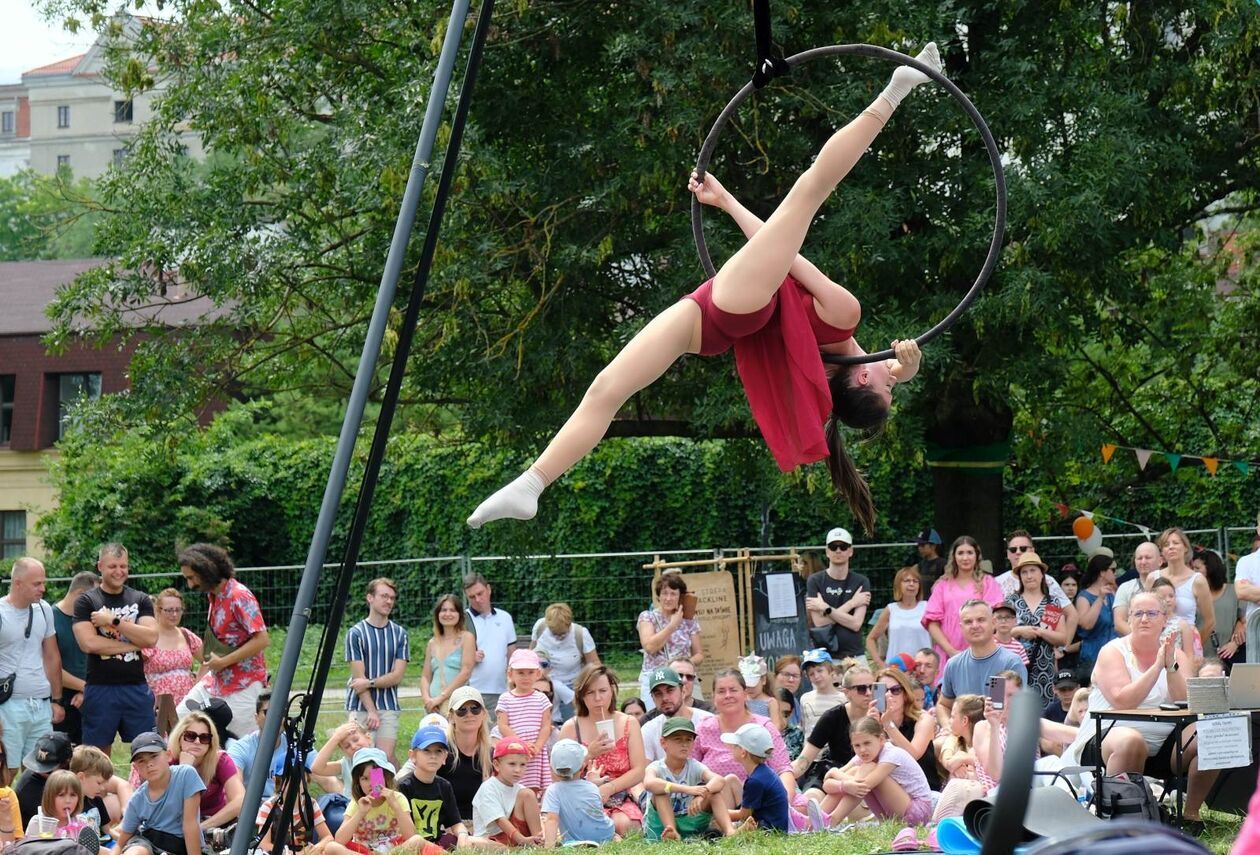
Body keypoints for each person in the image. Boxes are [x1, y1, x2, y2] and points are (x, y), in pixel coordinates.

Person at [466, 45, 945, 534]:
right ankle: (534, 482)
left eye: (887, 385)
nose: (889, 375)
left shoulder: (844, 314)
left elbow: (782, 242)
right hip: (717, 324)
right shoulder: (842, 346)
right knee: (607, 388)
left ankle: (896, 89)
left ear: (862, 380)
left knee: (812, 188)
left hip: (739, 305)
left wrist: (730, 204)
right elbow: (783, 253)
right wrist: (725, 201)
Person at [1062, 591, 1216, 834]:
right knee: (1131, 740)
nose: (1145, 619)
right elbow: (1123, 700)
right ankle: (1123, 821)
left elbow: (1184, 701)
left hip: (1165, 741)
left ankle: (1190, 816)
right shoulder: (1112, 651)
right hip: (1108, 738)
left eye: (1152, 613)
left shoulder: (1177, 655)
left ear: (1164, 619)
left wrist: (1170, 666)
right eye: (1138, 613)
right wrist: (1156, 667)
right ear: (1129, 619)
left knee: (1210, 735)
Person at [176, 543, 270, 737]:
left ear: (206, 570)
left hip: (243, 685)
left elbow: (262, 639)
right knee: (179, 719)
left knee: (240, 742)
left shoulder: (239, 595)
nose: (190, 585)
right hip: (217, 682)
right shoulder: (215, 597)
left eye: (191, 578)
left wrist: (223, 662)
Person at [73, 544, 160, 754]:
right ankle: (99, 788)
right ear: (100, 566)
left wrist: (113, 620)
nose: (119, 571)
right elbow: (89, 644)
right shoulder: (87, 601)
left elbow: (151, 637)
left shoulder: (140, 599)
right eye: (113, 566)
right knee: (96, 754)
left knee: (148, 749)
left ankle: (144, 787)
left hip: (136, 686)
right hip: (100, 687)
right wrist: (133, 643)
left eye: (124, 566)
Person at [693, 669, 800, 817]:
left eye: (733, 690)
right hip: (718, 803)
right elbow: (690, 770)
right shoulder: (703, 729)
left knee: (806, 804)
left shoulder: (764, 727)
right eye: (721, 691)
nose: (728, 695)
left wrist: (784, 802)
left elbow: (783, 769)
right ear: (713, 697)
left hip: (761, 799)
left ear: (745, 694)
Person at [556, 665, 646, 835]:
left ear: (612, 691)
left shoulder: (628, 723)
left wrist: (610, 788)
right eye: (590, 693)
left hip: (620, 795)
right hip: (581, 798)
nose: (598, 698)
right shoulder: (570, 728)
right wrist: (588, 754)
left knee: (625, 825)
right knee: (587, 826)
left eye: (603, 691)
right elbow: (558, 777)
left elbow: (639, 770)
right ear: (581, 695)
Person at [0, 557, 63, 785]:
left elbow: (51, 655)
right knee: (8, 769)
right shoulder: (2, 612)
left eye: (43, 582)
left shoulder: (44, 609)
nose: (43, 588)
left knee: (42, 769)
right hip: (8, 705)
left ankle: (31, 818)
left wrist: (56, 699)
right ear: (17, 583)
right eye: (36, 584)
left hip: (41, 703)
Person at [341, 579, 410, 768]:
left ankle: (396, 790)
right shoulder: (355, 633)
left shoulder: (400, 634)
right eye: (384, 596)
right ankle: (364, 795)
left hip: (388, 705)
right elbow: (357, 679)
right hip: (360, 705)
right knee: (362, 759)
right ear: (370, 598)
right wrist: (371, 710)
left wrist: (370, 683)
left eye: (392, 598)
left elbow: (397, 675)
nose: (389, 601)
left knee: (384, 758)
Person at [817, 716, 932, 828]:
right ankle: (814, 820)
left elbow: (862, 786)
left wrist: (834, 772)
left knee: (867, 769)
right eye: (857, 745)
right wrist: (844, 785)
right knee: (858, 771)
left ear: (881, 739)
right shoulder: (861, 757)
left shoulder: (892, 754)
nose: (862, 750)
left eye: (867, 743)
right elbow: (827, 785)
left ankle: (833, 820)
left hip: (918, 813)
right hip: (890, 816)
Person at [642, 718, 734, 840]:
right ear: (663, 743)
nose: (684, 744)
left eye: (688, 740)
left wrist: (703, 793)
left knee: (714, 793)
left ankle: (730, 831)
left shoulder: (694, 765)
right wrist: (686, 789)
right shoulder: (656, 767)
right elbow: (649, 783)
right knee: (661, 792)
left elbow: (719, 780)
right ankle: (672, 833)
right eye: (678, 739)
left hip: (689, 821)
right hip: (660, 827)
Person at [116, 732, 205, 855]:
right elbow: (122, 840)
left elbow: (190, 825)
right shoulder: (137, 799)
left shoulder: (186, 775)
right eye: (141, 761)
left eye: (154, 756)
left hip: (180, 845)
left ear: (168, 755)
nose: (149, 764)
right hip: (148, 842)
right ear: (136, 768)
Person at [922, 536, 1004, 664]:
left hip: (980, 652)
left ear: (977, 555)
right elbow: (932, 623)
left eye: (970, 553)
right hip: (947, 653)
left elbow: (995, 619)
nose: (965, 558)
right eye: (960, 553)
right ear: (954, 556)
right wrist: (951, 651)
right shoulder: (942, 585)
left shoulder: (987, 583)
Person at [937, 600, 1027, 713]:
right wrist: (947, 727)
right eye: (968, 622)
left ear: (993, 622)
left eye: (981, 620)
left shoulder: (1011, 663)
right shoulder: (953, 664)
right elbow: (943, 705)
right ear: (961, 627)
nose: (975, 626)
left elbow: (1019, 710)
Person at [335, 747, 427, 853]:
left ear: (385, 777)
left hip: (394, 850)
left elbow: (411, 835)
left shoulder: (398, 798)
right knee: (332, 847)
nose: (370, 783)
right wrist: (360, 813)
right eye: (364, 779)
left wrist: (395, 806)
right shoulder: (357, 803)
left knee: (417, 840)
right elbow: (339, 840)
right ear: (358, 783)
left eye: (375, 776)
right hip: (364, 851)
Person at [1005, 552, 1069, 703]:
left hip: (1044, 670)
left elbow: (1062, 639)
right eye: (1024, 572)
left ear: (1042, 574)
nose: (1029, 576)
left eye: (1033, 570)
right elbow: (999, 635)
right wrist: (1020, 631)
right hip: (1015, 668)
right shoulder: (1011, 601)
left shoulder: (1051, 603)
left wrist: (1040, 632)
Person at [164, 711, 243, 830]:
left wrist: (201, 828)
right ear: (179, 738)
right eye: (190, 736)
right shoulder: (168, 761)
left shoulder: (220, 761)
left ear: (211, 743)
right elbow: (166, 807)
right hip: (175, 826)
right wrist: (184, 770)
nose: (197, 742)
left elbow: (240, 800)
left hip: (214, 825)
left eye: (204, 738)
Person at [395, 726, 468, 849]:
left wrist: (463, 836)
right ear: (412, 755)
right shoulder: (403, 786)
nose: (433, 756)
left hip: (437, 842)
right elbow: (402, 832)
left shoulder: (445, 786)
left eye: (438, 751)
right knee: (417, 841)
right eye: (426, 750)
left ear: (445, 757)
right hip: (411, 844)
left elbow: (455, 823)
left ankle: (508, 849)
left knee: (474, 841)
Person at [636, 574, 703, 708]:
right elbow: (649, 647)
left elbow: (699, 655)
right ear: (658, 596)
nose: (668, 598)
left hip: (682, 678)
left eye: (673, 594)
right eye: (664, 593)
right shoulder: (648, 617)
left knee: (694, 716)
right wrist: (672, 625)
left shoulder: (689, 620)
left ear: (680, 596)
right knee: (656, 719)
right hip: (656, 677)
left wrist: (683, 664)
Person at [805, 527, 872, 661]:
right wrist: (852, 603)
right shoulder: (815, 580)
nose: (838, 550)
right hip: (825, 656)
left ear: (851, 551)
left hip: (855, 655)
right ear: (827, 551)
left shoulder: (861, 581)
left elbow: (856, 624)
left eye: (843, 546)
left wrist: (825, 608)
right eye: (833, 546)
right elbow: (819, 622)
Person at [872, 667, 939, 792]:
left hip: (921, 789)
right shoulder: (875, 718)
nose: (888, 695)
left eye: (895, 690)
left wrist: (888, 725)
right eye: (883, 691)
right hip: (887, 787)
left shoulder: (923, 719)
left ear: (905, 693)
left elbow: (913, 755)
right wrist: (872, 727)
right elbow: (864, 757)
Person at [529, 603, 599, 721]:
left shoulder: (580, 634)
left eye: (563, 634)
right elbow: (530, 654)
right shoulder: (540, 627)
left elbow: (594, 664)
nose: (558, 638)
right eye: (554, 633)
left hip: (573, 686)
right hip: (546, 687)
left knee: (572, 724)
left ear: (569, 624)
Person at [496, 649, 552, 792]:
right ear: (510, 674)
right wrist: (521, 744)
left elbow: (546, 726)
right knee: (514, 784)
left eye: (530, 672)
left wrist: (537, 746)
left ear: (538, 674)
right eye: (520, 672)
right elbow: (502, 725)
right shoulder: (505, 699)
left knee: (534, 787)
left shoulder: (541, 698)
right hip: (514, 751)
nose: (525, 677)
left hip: (535, 752)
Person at [52, 570, 98, 746]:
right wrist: (85, 688)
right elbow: (51, 667)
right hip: (61, 699)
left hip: (88, 695)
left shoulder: (90, 620)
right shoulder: (51, 617)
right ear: (80, 594)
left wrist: (85, 690)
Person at [541, 739, 617, 846]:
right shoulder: (592, 787)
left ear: (553, 769)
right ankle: (613, 837)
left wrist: (549, 848)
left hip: (575, 838)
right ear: (582, 767)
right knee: (608, 828)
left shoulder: (553, 791)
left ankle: (578, 842)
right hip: (604, 834)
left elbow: (551, 820)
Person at [462, 573, 517, 717]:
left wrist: (513, 684)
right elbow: (450, 655)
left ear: (489, 589)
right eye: (472, 597)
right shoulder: (462, 620)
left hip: (501, 690)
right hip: (471, 690)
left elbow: (512, 654)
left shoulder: (505, 618)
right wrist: (469, 656)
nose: (478, 600)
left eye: (480, 594)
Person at [721, 724, 791, 832]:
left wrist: (718, 813)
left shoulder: (755, 781)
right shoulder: (763, 772)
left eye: (735, 746)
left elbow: (744, 815)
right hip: (770, 823)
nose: (731, 748)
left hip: (768, 830)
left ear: (743, 752)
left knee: (719, 826)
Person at [471, 741, 543, 847]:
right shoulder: (488, 787)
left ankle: (539, 842)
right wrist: (521, 839)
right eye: (512, 764)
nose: (518, 770)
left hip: (516, 839)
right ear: (496, 765)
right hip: (492, 839)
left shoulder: (521, 790)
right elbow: (500, 820)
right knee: (473, 843)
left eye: (522, 764)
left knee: (528, 794)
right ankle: (523, 845)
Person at [438, 687, 492, 825]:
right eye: (462, 710)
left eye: (475, 708)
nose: (469, 714)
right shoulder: (438, 748)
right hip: (446, 825)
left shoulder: (492, 754)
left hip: (482, 824)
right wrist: (378, 790)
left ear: (484, 714)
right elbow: (405, 776)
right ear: (451, 716)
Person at [142, 588, 201, 711]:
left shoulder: (186, 635)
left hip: (187, 704)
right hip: (156, 706)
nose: (174, 614)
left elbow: (207, 662)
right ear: (158, 610)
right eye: (169, 610)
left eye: (178, 610)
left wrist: (197, 685)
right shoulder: (149, 637)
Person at [640, 667, 716, 762]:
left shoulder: (708, 721)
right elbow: (644, 771)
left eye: (670, 690)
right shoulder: (649, 730)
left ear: (683, 691)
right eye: (658, 694)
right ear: (652, 698)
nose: (665, 698)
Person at [1156, 527, 1215, 646]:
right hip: (1158, 647)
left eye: (1176, 543)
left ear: (1186, 548)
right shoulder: (1153, 578)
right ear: (1162, 551)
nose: (1171, 547)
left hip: (1187, 647)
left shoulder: (1198, 580)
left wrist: (1195, 646)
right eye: (1166, 544)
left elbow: (1210, 621)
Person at [865, 566, 930, 671]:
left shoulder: (927, 607)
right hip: (896, 669)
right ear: (898, 585)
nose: (911, 584)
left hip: (922, 668)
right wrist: (881, 664)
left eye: (915, 581)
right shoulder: (891, 609)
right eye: (907, 581)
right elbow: (870, 639)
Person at [1194, 548, 1245, 667]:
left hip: (1229, 658)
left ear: (1211, 568)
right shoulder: (1191, 594)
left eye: (1197, 568)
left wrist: (1234, 643)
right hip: (1200, 659)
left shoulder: (1233, 591)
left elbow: (1246, 620)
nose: (1193, 572)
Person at [1075, 551, 1119, 680]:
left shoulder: (1113, 593)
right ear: (1102, 572)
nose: (1115, 573)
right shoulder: (1084, 597)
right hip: (1093, 657)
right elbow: (1086, 624)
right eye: (1113, 569)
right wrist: (1100, 598)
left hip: (1114, 654)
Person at [15, 732, 73, 826]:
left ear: (66, 763)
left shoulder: (77, 770)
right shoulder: (28, 789)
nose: (40, 772)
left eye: (48, 770)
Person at [1113, 541, 1162, 635]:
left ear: (1160, 561)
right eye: (1139, 558)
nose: (1143, 562)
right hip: (1133, 644)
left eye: (1148, 557)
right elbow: (1119, 623)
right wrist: (1142, 639)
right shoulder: (1125, 588)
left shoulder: (1169, 585)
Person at [1151, 577, 1201, 667]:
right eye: (1162, 597)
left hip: (1176, 667)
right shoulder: (1149, 622)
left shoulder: (1182, 625)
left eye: (1171, 596)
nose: (1168, 600)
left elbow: (1189, 655)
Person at [1235, 515, 1260, 626]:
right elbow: (1242, 592)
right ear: (1258, 530)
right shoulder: (1246, 561)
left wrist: (1254, 592)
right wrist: (1248, 591)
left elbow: (1248, 592)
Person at [771, 656, 803, 725]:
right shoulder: (767, 702)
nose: (791, 680)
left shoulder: (795, 702)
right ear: (775, 676)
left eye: (795, 676)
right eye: (786, 674)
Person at [775, 689, 804, 760]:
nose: (781, 719)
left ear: (792, 712)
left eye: (786, 714)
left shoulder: (798, 734)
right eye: (776, 712)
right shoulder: (760, 733)